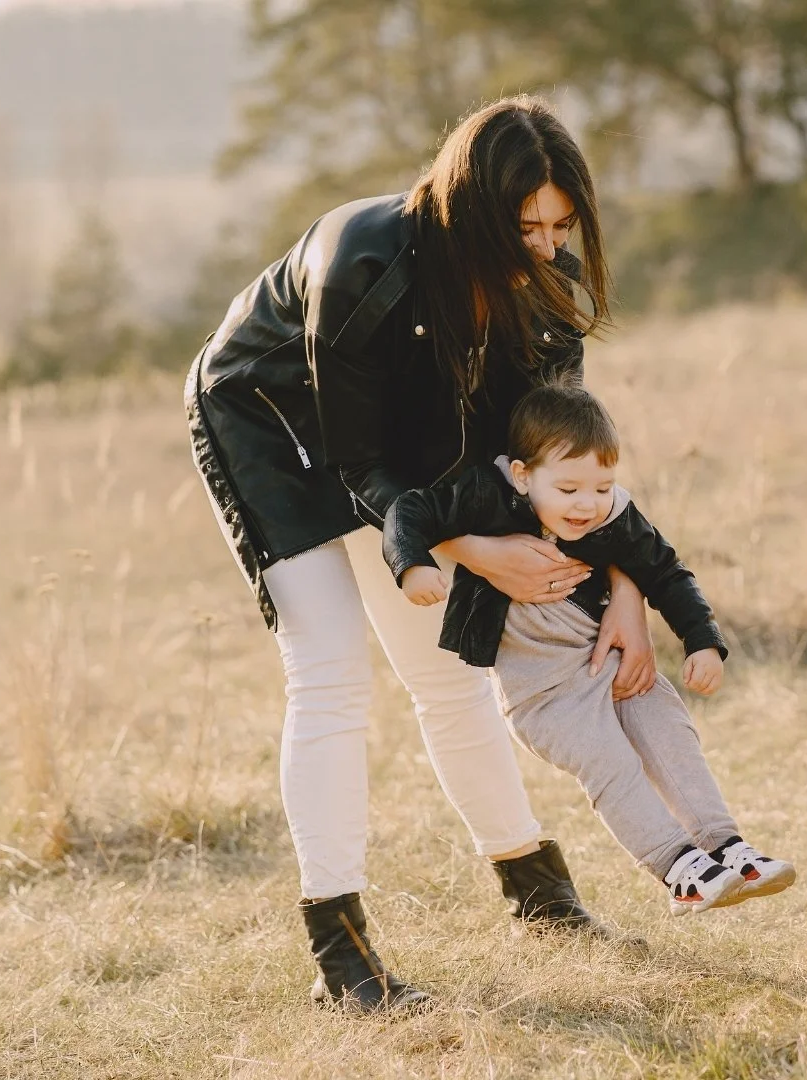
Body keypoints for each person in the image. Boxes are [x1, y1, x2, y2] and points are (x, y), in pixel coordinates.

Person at [184, 96, 652, 1015]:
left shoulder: (547, 297)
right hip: (270, 420)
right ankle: (342, 956)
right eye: (524, 229)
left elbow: (563, 466)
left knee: (448, 671)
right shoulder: (359, 262)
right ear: (473, 212)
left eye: (561, 228)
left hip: (394, 446)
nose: (546, 250)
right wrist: (470, 545)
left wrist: (626, 586)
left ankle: (540, 897)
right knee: (329, 671)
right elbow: (358, 459)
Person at [384, 384, 797, 916]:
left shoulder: (614, 516)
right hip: (545, 693)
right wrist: (412, 564)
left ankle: (725, 847)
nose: (586, 503)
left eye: (602, 486)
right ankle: (679, 869)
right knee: (610, 762)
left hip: (612, 665)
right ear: (522, 475)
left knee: (670, 733)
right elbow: (407, 510)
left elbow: (667, 572)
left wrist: (703, 642)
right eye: (569, 488)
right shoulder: (484, 497)